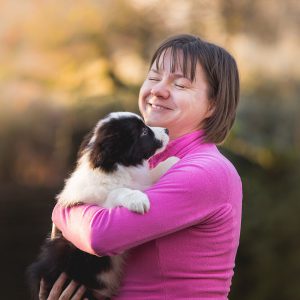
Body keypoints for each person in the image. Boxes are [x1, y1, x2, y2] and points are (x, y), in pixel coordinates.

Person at [41, 34, 242, 299]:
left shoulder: (206, 172)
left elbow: (101, 236)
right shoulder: (144, 161)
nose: (158, 90)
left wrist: (63, 210)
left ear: (213, 105)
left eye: (180, 84)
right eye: (154, 76)